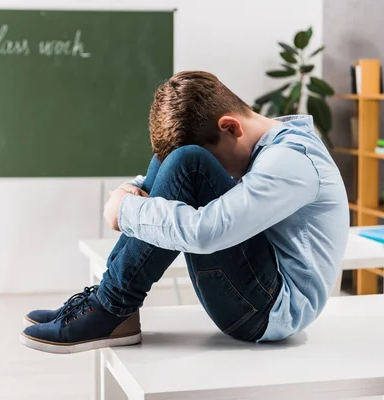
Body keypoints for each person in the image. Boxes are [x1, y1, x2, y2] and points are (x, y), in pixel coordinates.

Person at [20, 70, 350, 354]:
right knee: (170, 157)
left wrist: (128, 212)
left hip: (270, 311)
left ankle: (112, 307)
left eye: (219, 159)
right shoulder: (267, 145)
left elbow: (208, 232)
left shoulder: (291, 161)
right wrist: (132, 191)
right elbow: (175, 178)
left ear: (230, 127)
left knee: (189, 163)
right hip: (256, 287)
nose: (221, 170)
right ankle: (113, 304)